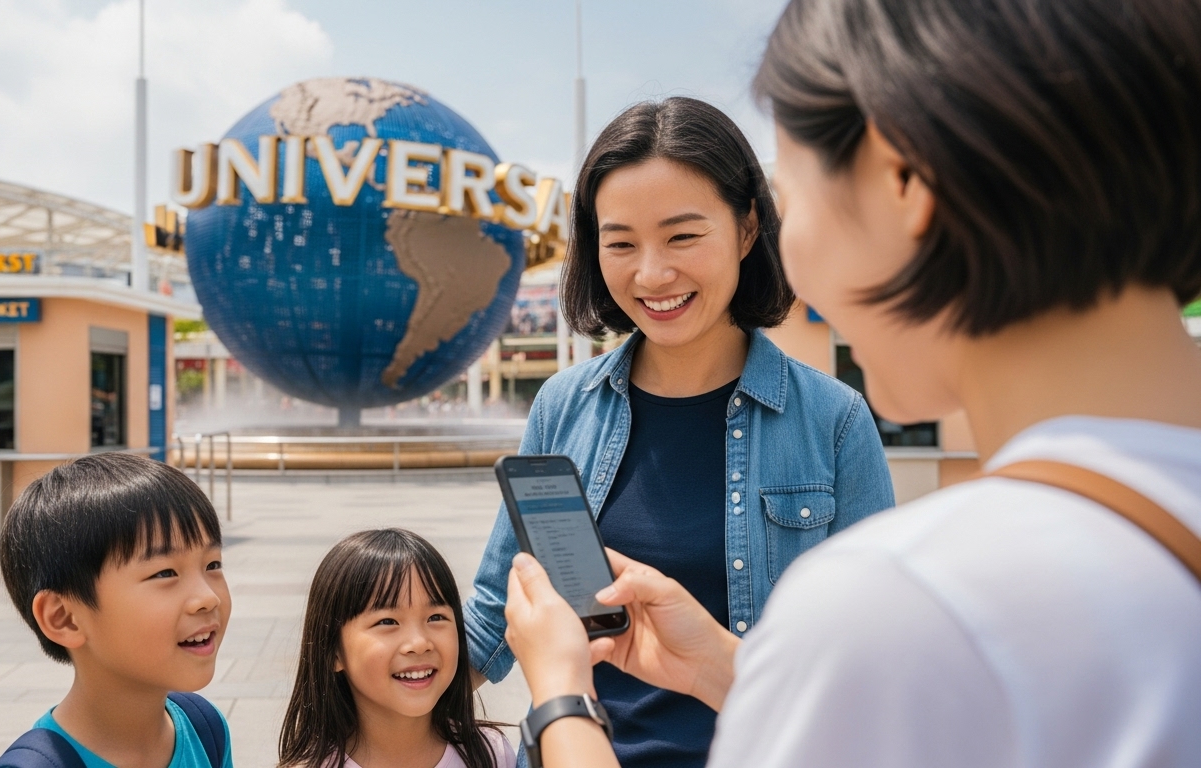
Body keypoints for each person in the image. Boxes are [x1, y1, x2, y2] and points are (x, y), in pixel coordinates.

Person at [501, 0, 1201, 766]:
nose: (791, 246)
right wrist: (723, 666)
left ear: (901, 178)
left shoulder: (901, 607)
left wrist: (559, 696)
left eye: (792, 195)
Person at [464, 96, 895, 767]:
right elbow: (496, 608)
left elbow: (873, 653)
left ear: (748, 228)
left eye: (683, 236)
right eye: (621, 243)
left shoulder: (834, 420)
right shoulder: (562, 406)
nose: (652, 273)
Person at [0, 453, 234, 768]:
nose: (207, 598)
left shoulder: (204, 729)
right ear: (64, 618)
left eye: (212, 565)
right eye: (165, 573)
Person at [278, 528, 515, 768]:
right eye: (387, 622)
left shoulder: (491, 754)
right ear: (333, 652)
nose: (419, 643)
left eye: (435, 617)